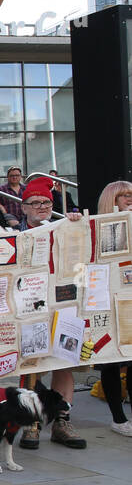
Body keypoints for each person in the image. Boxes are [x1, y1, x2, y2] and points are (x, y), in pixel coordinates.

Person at [16, 177, 85, 450]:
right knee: (31, 363)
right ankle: (31, 421)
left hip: (64, 301)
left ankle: (61, 421)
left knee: (64, 360)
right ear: (24, 207)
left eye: (46, 202)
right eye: (35, 203)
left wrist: (77, 223)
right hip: (27, 304)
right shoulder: (12, 232)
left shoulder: (65, 227)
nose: (42, 207)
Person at [97, 180, 132, 436]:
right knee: (111, 361)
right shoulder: (99, 227)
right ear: (112, 200)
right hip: (107, 300)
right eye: (124, 196)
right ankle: (118, 419)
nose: (129, 199)